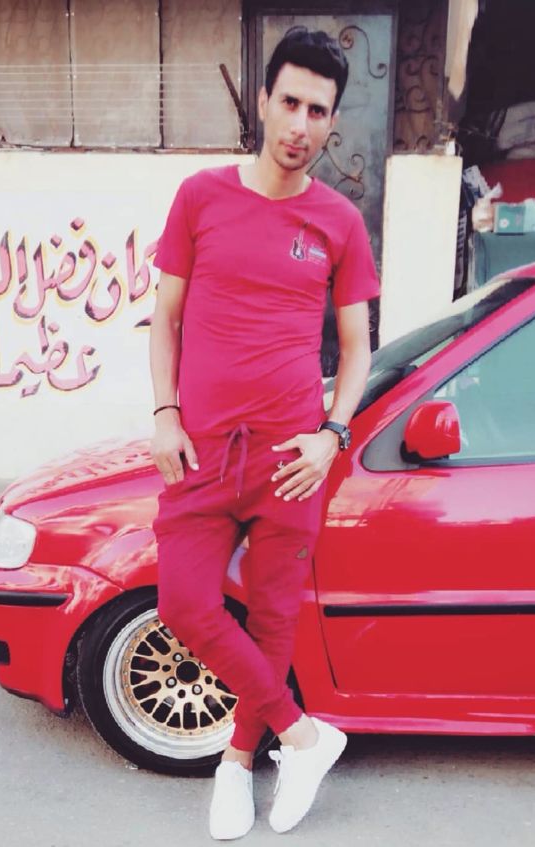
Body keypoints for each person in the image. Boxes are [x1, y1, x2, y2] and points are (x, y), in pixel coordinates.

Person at [149, 26, 379, 839]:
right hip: (204, 450)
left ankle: (238, 763)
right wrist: (165, 413)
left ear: (332, 121)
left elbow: (357, 347)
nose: (301, 124)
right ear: (264, 100)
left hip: (292, 458)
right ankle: (304, 735)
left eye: (319, 111)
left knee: (274, 618)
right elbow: (165, 320)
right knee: (184, 601)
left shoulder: (340, 222)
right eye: (290, 102)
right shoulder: (201, 197)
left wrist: (332, 434)